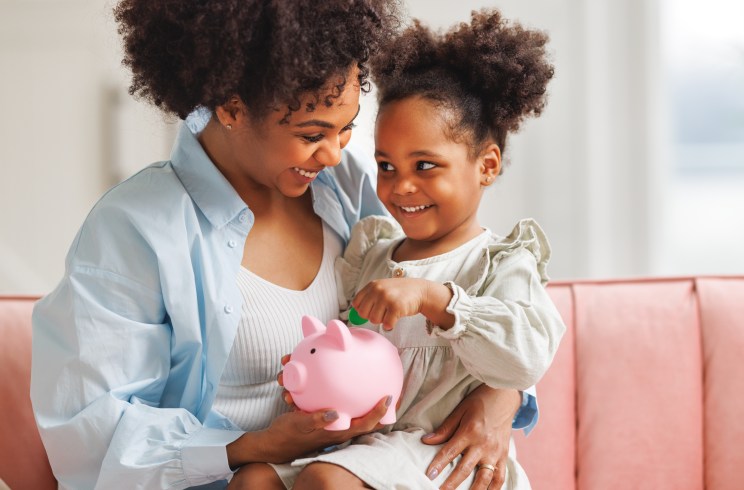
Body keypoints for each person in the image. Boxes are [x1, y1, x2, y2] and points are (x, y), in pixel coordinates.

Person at [30, 1, 542, 489]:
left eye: (346, 128)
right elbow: (91, 441)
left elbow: (472, 285)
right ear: (231, 109)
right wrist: (254, 446)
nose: (336, 152)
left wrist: (502, 396)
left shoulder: (349, 188)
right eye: (312, 132)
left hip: (370, 466)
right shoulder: (134, 230)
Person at [234, 9, 564, 489]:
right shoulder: (372, 253)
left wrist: (436, 299)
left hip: (439, 454)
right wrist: (315, 365)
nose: (401, 187)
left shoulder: (501, 262)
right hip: (364, 447)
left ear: (486, 165)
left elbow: (527, 357)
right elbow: (345, 337)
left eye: (425, 165)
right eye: (386, 166)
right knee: (255, 480)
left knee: (328, 483)